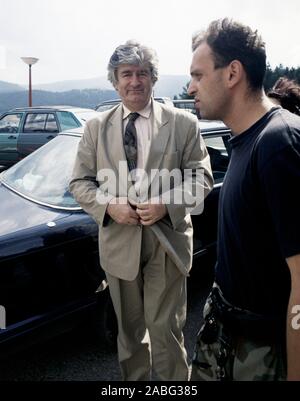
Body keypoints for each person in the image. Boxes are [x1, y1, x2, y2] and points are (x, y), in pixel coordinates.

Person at [69, 40, 213, 381]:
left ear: (153, 78)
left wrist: (167, 203)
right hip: (119, 244)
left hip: (167, 244)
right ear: (115, 80)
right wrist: (110, 207)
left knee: (166, 333)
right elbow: (79, 181)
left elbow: (201, 176)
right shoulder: (95, 127)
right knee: (130, 336)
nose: (135, 81)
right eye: (127, 74)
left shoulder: (182, 123)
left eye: (142, 73)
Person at [188, 18, 300, 381]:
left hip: (262, 354)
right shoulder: (245, 138)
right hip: (225, 333)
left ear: (232, 72)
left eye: (198, 75)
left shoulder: (277, 144)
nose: (191, 87)